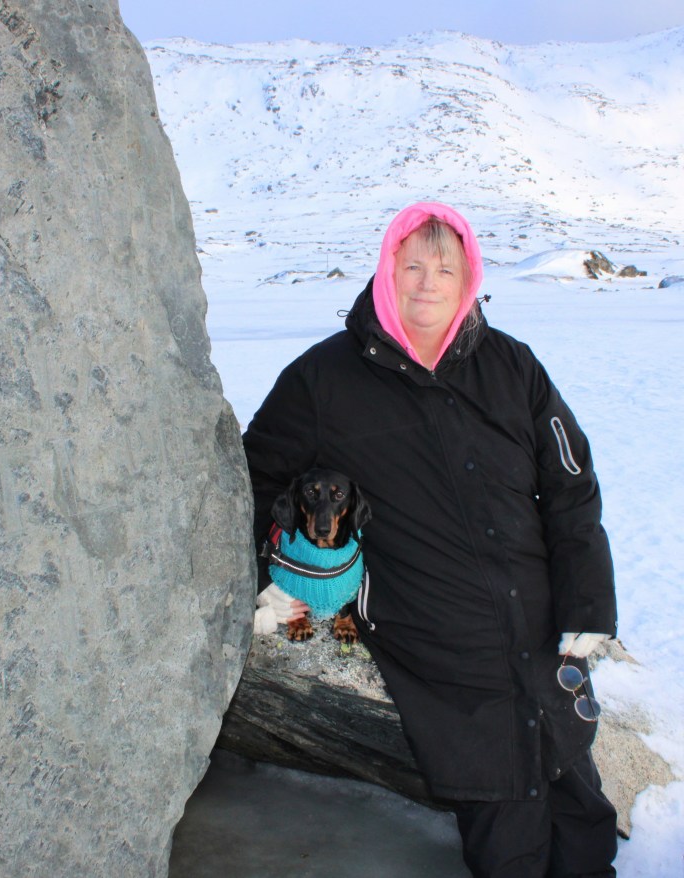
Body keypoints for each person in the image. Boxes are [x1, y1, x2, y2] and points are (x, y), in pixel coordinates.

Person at [242, 201, 619, 877]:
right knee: (503, 818)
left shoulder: (511, 366)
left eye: (445, 269)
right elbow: (257, 475)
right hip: (435, 636)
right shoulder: (324, 378)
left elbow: (570, 486)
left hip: (537, 621)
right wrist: (275, 572)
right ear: (387, 271)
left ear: (469, 278)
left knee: (577, 798)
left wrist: (588, 602)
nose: (427, 283)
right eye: (412, 265)